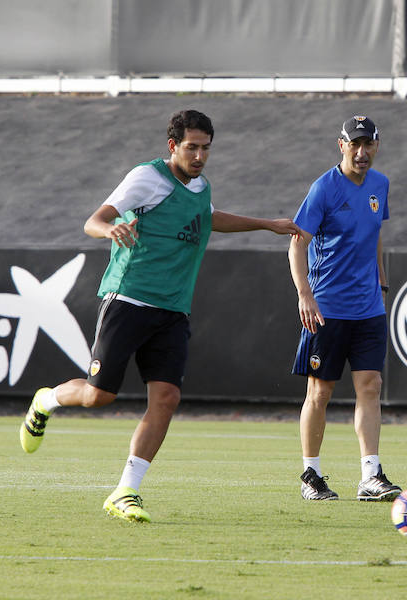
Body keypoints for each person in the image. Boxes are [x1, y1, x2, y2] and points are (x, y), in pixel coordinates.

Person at [19, 109, 302, 523]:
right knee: (100, 395)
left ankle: (126, 491)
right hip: (129, 299)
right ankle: (46, 400)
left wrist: (267, 225)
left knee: (166, 398)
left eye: (206, 148)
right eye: (192, 147)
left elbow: (207, 218)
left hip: (173, 311)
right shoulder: (147, 177)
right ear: (173, 146)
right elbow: (94, 220)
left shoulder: (201, 187)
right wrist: (110, 229)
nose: (200, 155)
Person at [288, 115, 401, 502]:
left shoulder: (380, 185)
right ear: (341, 145)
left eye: (368, 144)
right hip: (328, 309)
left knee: (371, 386)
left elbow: (376, 237)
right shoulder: (324, 188)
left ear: (376, 146)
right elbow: (297, 243)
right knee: (320, 392)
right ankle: (311, 474)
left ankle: (371, 475)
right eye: (355, 144)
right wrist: (305, 294)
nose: (362, 151)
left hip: (368, 308)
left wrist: (382, 282)